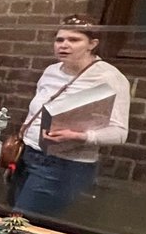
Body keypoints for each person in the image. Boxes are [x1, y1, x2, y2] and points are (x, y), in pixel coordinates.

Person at [12, 16, 131, 218]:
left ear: (92, 44)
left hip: (65, 163)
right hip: (28, 154)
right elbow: (35, 111)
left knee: (22, 222)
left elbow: (119, 132)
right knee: (12, 218)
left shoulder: (108, 77)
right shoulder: (51, 71)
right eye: (59, 40)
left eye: (74, 40)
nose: (64, 45)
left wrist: (80, 136)